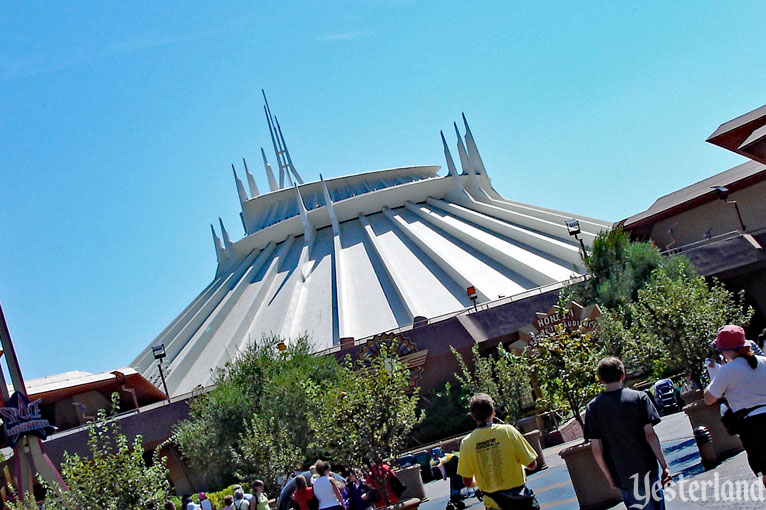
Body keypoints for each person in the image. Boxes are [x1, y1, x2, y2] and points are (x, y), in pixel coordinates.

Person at [585, 357, 671, 510]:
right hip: (647, 467)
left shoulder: (593, 408)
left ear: (600, 380)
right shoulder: (640, 398)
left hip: (622, 473)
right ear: (623, 374)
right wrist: (664, 465)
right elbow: (650, 435)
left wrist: (609, 476)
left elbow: (596, 450)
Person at [704, 325, 766, 487]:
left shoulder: (727, 370)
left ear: (725, 350)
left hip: (753, 427)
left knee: (763, 472)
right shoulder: (764, 361)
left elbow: (709, 399)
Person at [457, 393, 539, 510]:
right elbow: (532, 464)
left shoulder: (467, 442)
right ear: (493, 412)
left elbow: (468, 482)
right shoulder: (508, 431)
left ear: (473, 417)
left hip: (493, 502)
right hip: (519, 498)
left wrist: (480, 481)